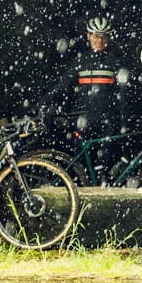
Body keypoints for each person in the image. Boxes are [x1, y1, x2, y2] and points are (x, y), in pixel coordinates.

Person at [55, 17, 126, 183]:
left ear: (108, 38)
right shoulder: (80, 61)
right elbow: (63, 86)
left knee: (105, 165)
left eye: (103, 36)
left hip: (107, 119)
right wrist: (44, 103)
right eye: (95, 35)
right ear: (88, 36)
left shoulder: (114, 63)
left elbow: (122, 97)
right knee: (80, 164)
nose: (99, 40)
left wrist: (123, 122)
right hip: (83, 119)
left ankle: (102, 189)